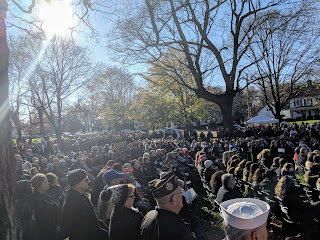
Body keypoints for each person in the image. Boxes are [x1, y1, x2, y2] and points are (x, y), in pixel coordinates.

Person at [140, 172, 197, 240]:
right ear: (174, 199)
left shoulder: (148, 216)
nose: (182, 195)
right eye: (180, 192)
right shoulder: (180, 231)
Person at [62, 169, 109, 240]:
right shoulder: (74, 203)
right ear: (77, 184)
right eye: (86, 180)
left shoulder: (81, 195)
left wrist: (107, 230)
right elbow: (85, 229)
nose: (89, 181)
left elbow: (94, 219)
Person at [30, 173, 61, 240]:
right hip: (45, 233)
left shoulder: (46, 195)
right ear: (39, 185)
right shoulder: (37, 200)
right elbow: (44, 218)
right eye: (45, 182)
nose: (48, 183)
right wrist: (55, 227)